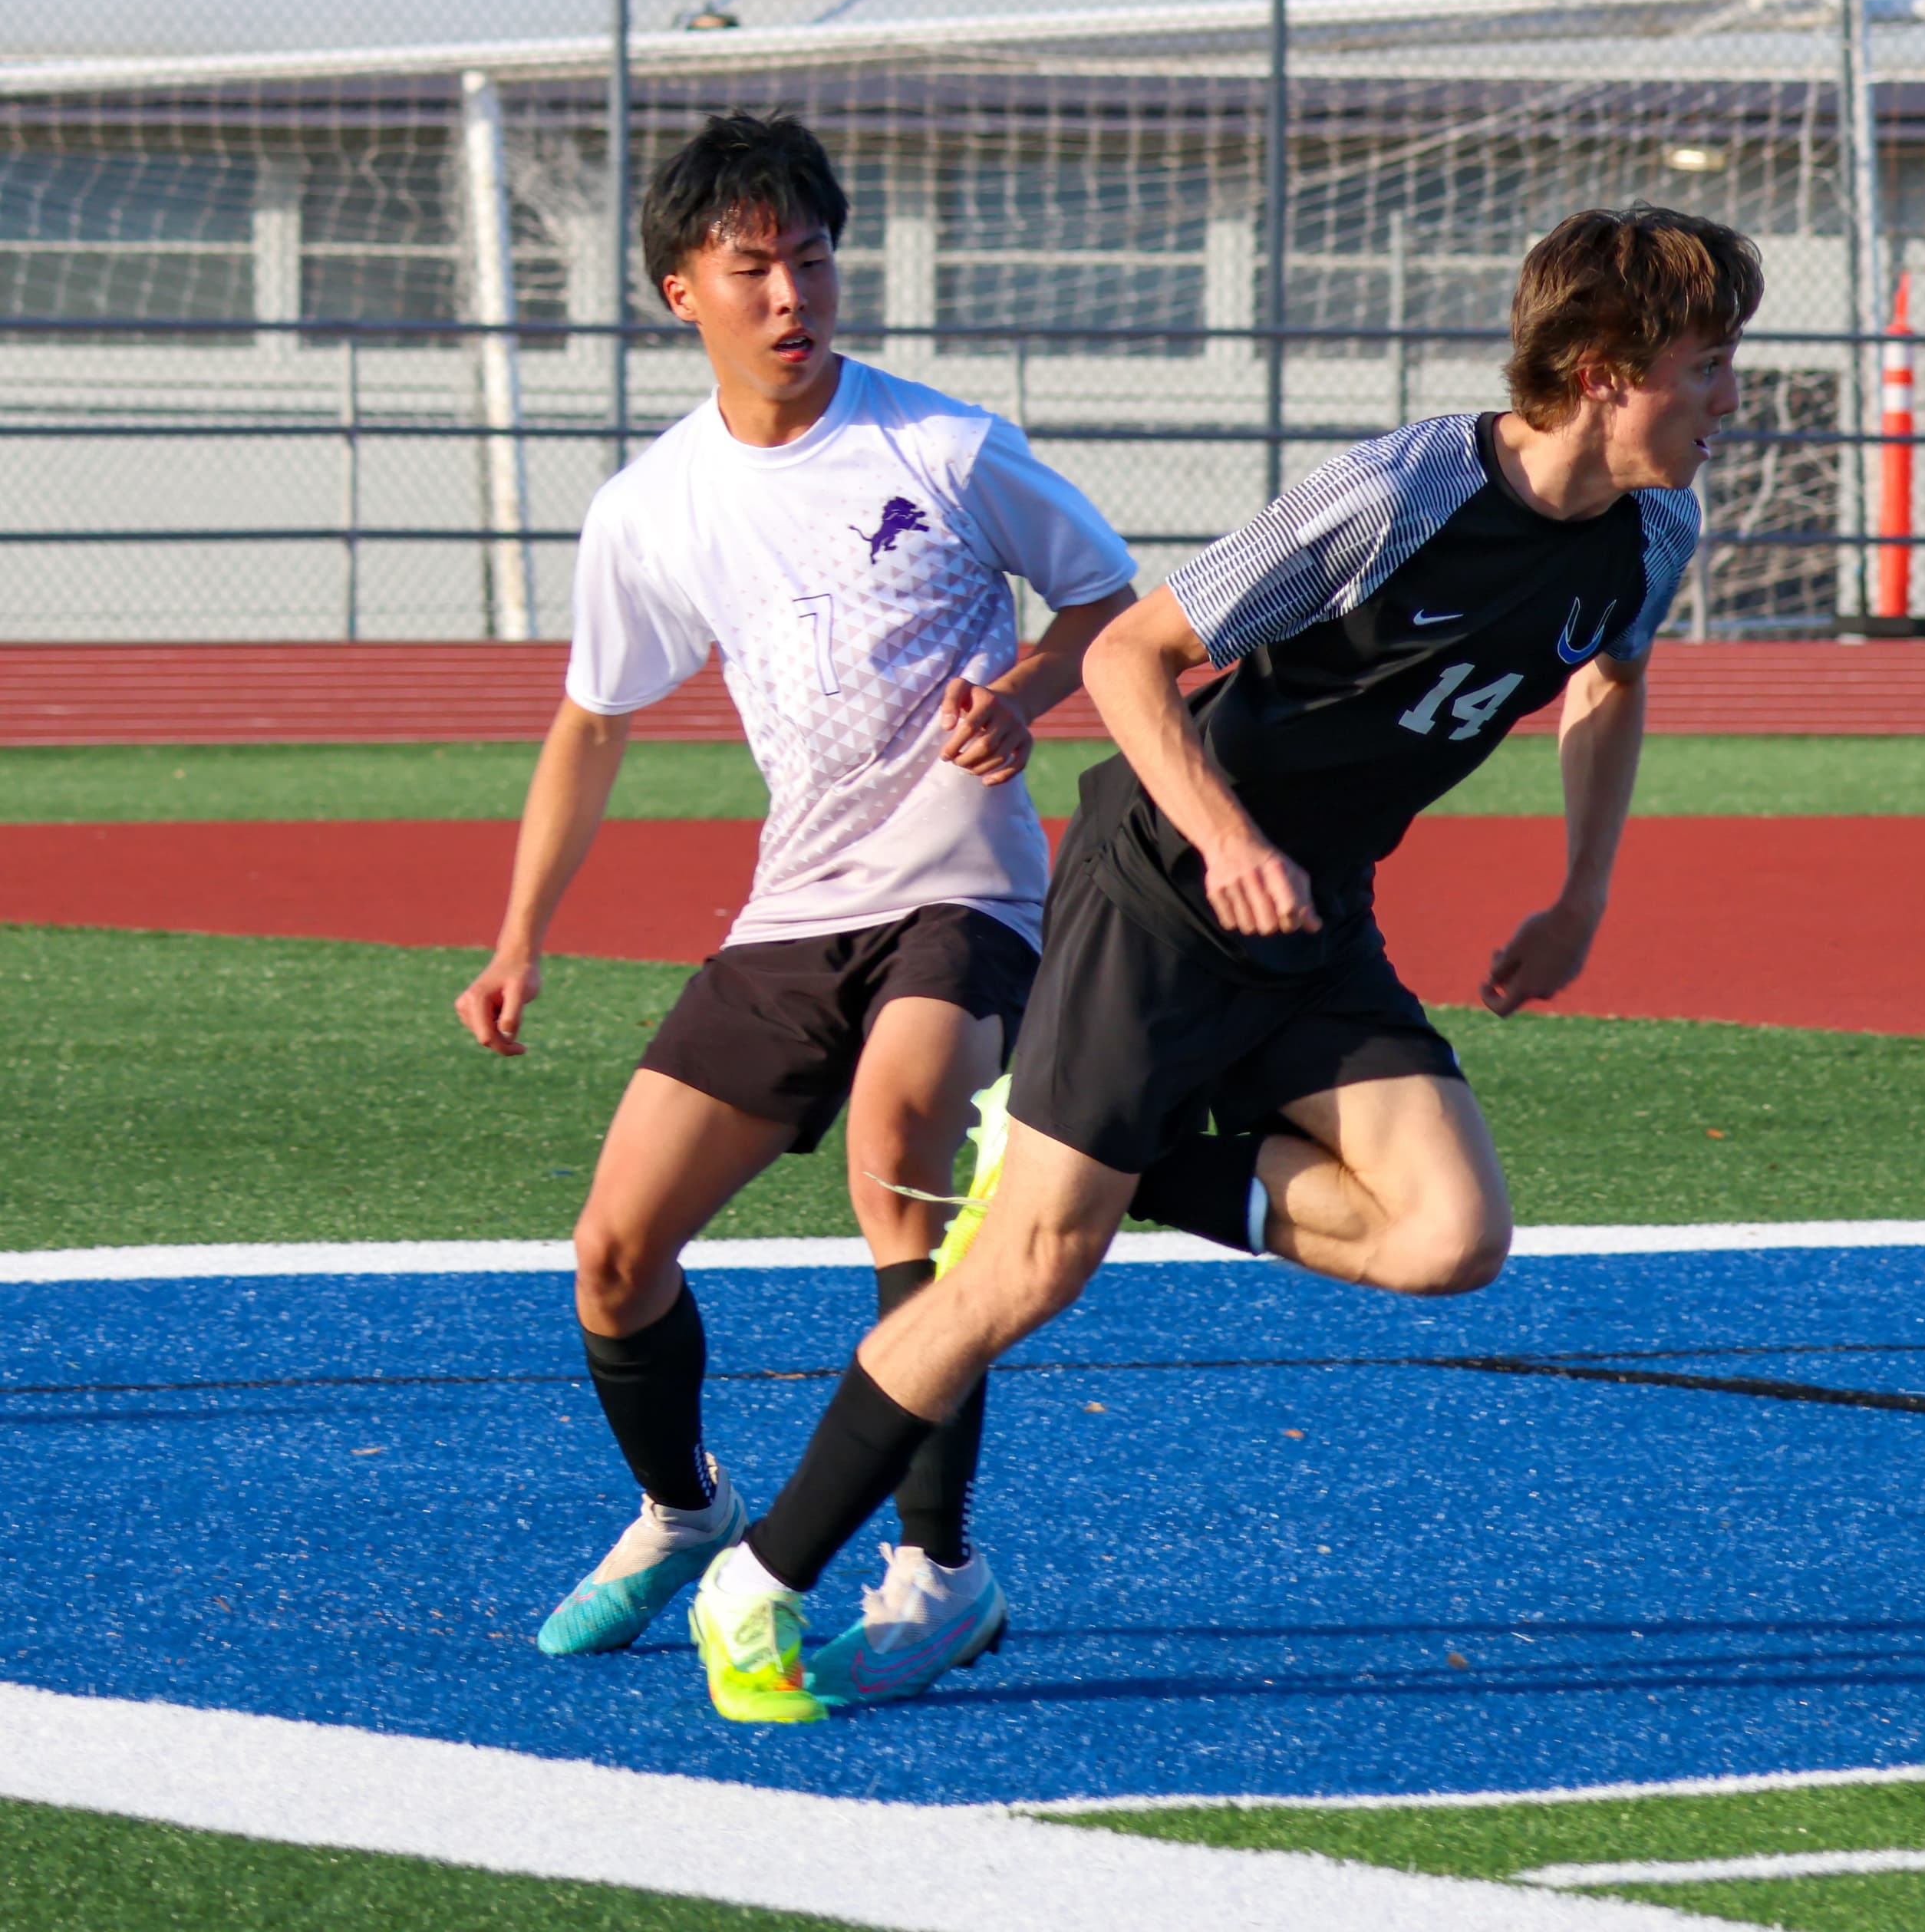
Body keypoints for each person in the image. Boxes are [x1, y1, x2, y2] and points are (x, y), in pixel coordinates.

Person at [676, 204, 1759, 1721]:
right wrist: (1230, 838)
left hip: (1316, 921)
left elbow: (1611, 669)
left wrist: (1582, 890)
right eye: (1709, 368)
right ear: (1599, 371)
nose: (1731, 400)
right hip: (1167, 890)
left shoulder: (1653, 528)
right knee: (1024, 1267)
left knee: (1451, 1233)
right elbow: (1129, 653)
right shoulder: (1401, 491)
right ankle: (760, 1579)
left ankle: (1147, 1164)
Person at [450, 112, 1138, 1697]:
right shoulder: (651, 506)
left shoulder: (947, 446)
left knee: (903, 1149)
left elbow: (1110, 603)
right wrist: (518, 938)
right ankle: (687, 1508)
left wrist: (1028, 689)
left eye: (811, 256)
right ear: (679, 291)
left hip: (967, 887)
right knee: (614, 1253)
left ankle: (936, 1562)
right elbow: (594, 720)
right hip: (792, 909)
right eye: (750, 265)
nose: (790, 291)